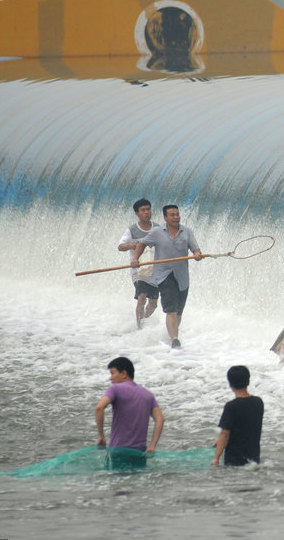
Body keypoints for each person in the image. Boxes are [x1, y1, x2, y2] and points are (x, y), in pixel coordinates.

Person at [132, 205, 202, 349]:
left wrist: (197, 254)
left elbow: (196, 248)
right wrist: (136, 259)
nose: (176, 217)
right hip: (164, 275)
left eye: (177, 214)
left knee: (179, 312)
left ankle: (172, 334)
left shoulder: (187, 232)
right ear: (165, 217)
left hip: (182, 277)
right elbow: (142, 244)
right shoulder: (157, 232)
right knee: (171, 309)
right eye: (172, 215)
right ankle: (175, 340)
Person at [95, 356, 165, 469]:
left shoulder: (115, 389)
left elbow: (99, 408)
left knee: (117, 484)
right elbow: (160, 419)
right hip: (140, 454)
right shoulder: (148, 395)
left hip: (118, 452)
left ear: (123, 374)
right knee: (136, 484)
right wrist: (152, 446)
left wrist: (101, 436)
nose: (110, 378)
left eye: (113, 373)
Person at [117, 198, 160, 329]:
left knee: (153, 304)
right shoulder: (132, 230)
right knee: (142, 297)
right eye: (143, 210)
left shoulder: (158, 228)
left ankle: (144, 318)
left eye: (148, 209)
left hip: (154, 270)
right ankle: (139, 327)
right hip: (138, 270)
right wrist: (132, 245)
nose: (146, 212)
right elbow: (120, 246)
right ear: (137, 213)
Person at [212, 365, 264, 466]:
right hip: (254, 458)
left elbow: (225, 434)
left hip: (234, 460)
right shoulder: (258, 403)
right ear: (248, 382)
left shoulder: (231, 406)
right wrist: (220, 442)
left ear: (230, 384)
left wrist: (216, 458)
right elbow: (246, 426)